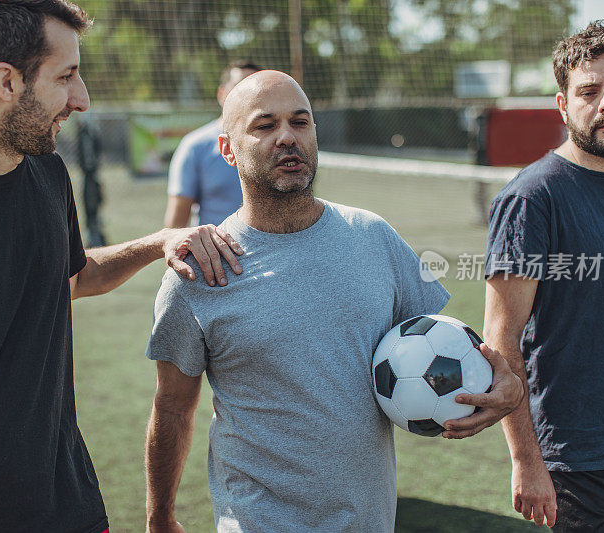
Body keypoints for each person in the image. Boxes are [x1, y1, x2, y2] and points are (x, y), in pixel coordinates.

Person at [0, 1, 243, 531]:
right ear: (6, 81)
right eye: (66, 76)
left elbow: (71, 277)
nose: (82, 99)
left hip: (68, 505)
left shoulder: (49, 173)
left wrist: (159, 242)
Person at [144, 70, 524, 532]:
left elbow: (439, 346)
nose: (287, 137)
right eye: (265, 126)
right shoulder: (197, 272)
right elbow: (172, 408)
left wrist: (498, 384)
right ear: (227, 149)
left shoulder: (372, 236)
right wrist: (160, 515)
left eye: (300, 122)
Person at [484, 21, 604, 531]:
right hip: (582, 458)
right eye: (589, 92)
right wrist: (527, 460)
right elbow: (500, 337)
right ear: (562, 105)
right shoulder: (532, 199)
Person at [163, 60, 261, 228]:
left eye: (255, 90)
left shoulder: (279, 144)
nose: (248, 97)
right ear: (222, 94)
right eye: (239, 89)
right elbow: (175, 225)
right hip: (217, 254)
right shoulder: (195, 146)